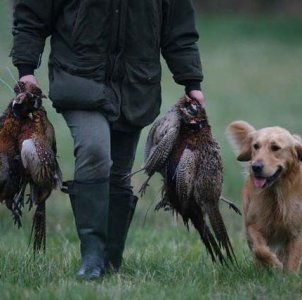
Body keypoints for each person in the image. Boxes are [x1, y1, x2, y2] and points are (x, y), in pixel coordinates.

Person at [11, 0, 205, 280]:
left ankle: (110, 261)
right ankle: (91, 258)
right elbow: (31, 12)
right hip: (78, 76)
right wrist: (26, 68)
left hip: (136, 84)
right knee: (95, 150)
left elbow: (178, 27)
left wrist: (192, 82)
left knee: (118, 174)